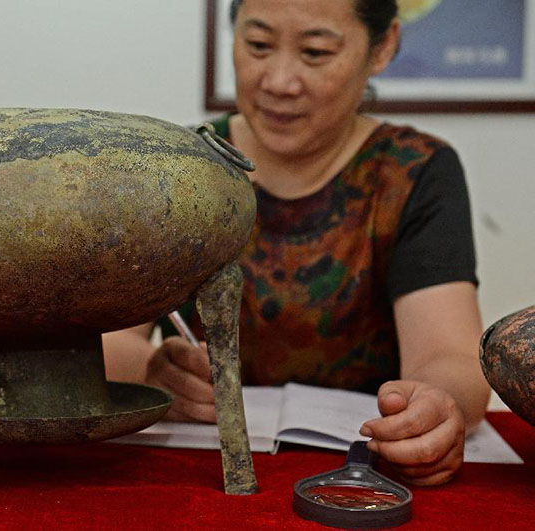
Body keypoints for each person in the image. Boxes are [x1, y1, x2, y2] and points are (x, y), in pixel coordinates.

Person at [103, 0, 490, 487]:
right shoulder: (178, 169)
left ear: (382, 46)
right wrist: (152, 374)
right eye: (258, 45)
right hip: (199, 473)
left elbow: (449, 356)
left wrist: (432, 408)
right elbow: (112, 342)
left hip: (359, 475)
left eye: (315, 52)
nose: (280, 81)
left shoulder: (414, 172)